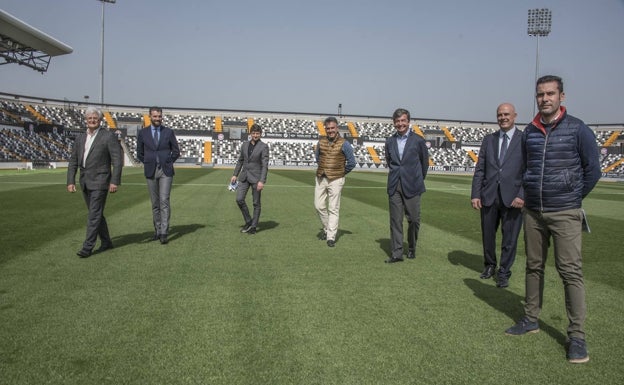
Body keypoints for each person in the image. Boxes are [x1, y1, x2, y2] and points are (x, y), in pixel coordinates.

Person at [505, 75, 601, 364]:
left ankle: (577, 336)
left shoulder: (578, 129)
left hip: (565, 213)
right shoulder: (530, 132)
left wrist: (571, 198)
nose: (545, 98)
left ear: (562, 96)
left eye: (550, 93)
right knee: (534, 267)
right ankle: (531, 318)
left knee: (569, 271)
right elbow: (525, 168)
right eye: (540, 94)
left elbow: (593, 170)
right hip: (533, 212)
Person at [471, 103, 525, 288]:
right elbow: (480, 168)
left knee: (510, 238)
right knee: (488, 235)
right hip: (489, 195)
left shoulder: (523, 139)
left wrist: (522, 194)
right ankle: (489, 265)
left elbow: (529, 170)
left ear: (514, 116)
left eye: (506, 114)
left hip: (513, 198)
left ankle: (504, 272)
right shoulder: (489, 139)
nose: (503, 117)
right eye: (500, 114)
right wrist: (475, 194)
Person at [67, 106, 123, 257]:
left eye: (95, 118)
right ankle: (106, 242)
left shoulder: (108, 136)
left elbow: (117, 160)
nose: (92, 121)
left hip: (101, 180)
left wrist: (114, 181)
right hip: (84, 181)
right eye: (89, 118)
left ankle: (87, 247)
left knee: (93, 215)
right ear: (86, 120)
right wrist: (70, 181)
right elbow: (73, 161)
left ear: (100, 120)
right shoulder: (80, 138)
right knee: (97, 214)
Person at [384, 108, 429, 263]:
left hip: (413, 185)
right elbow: (390, 161)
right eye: (397, 121)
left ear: (408, 121)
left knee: (414, 220)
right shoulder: (389, 141)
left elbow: (424, 163)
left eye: (403, 120)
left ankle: (411, 247)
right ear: (394, 123)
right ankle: (397, 253)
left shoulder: (418, 140)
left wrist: (417, 179)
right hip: (394, 184)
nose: (400, 124)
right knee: (395, 220)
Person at [136, 107, 180, 244]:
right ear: (150, 116)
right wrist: (149, 162)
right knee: (155, 203)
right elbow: (139, 153)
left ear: (162, 117)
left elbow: (176, 151)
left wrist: (167, 162)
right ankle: (157, 229)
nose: (157, 119)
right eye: (155, 116)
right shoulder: (143, 133)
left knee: (164, 201)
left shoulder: (168, 132)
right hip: (150, 170)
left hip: (165, 171)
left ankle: (164, 232)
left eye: (159, 116)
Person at [314, 116, 356, 247]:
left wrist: (341, 172)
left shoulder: (345, 143)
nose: (330, 130)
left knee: (333, 208)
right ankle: (327, 229)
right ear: (325, 129)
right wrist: (324, 168)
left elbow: (352, 163)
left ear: (337, 128)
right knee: (318, 205)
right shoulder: (320, 142)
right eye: (328, 128)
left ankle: (330, 237)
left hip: (336, 180)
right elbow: (318, 158)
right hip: (321, 178)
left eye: (333, 128)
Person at [231, 124, 269, 235]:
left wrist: (262, 181)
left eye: (257, 133)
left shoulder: (264, 146)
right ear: (250, 134)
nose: (255, 135)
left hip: (256, 179)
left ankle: (253, 226)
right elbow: (240, 161)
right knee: (239, 199)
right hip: (244, 177)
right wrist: (235, 174)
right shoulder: (244, 145)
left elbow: (265, 165)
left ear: (260, 134)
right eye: (253, 133)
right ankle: (248, 221)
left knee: (256, 203)